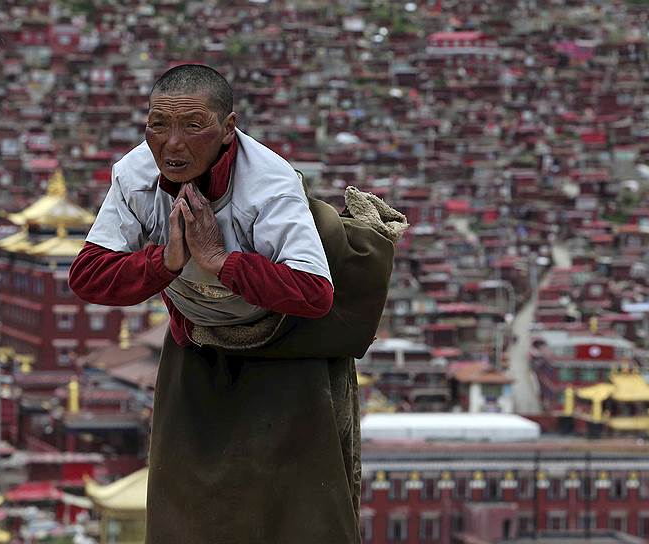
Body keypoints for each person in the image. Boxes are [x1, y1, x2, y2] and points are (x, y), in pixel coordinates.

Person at [69, 64, 405, 543]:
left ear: (229, 130)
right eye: (157, 125)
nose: (172, 144)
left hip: (291, 331)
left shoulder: (269, 184)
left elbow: (314, 293)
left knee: (298, 503)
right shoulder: (135, 175)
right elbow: (87, 276)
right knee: (183, 492)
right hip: (200, 329)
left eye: (193, 125)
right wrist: (164, 262)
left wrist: (221, 261)